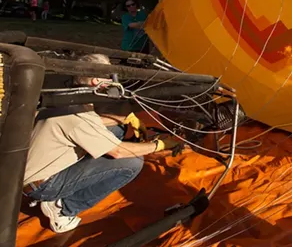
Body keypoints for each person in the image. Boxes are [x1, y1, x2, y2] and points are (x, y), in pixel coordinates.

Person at [24, 54, 179, 233]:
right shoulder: (76, 116)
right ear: (97, 80)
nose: (113, 80)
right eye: (109, 76)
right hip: (43, 185)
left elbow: (88, 123)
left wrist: (125, 119)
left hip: (37, 163)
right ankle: (63, 208)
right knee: (132, 163)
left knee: (117, 130)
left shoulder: (68, 96)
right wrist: (161, 145)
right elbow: (119, 152)